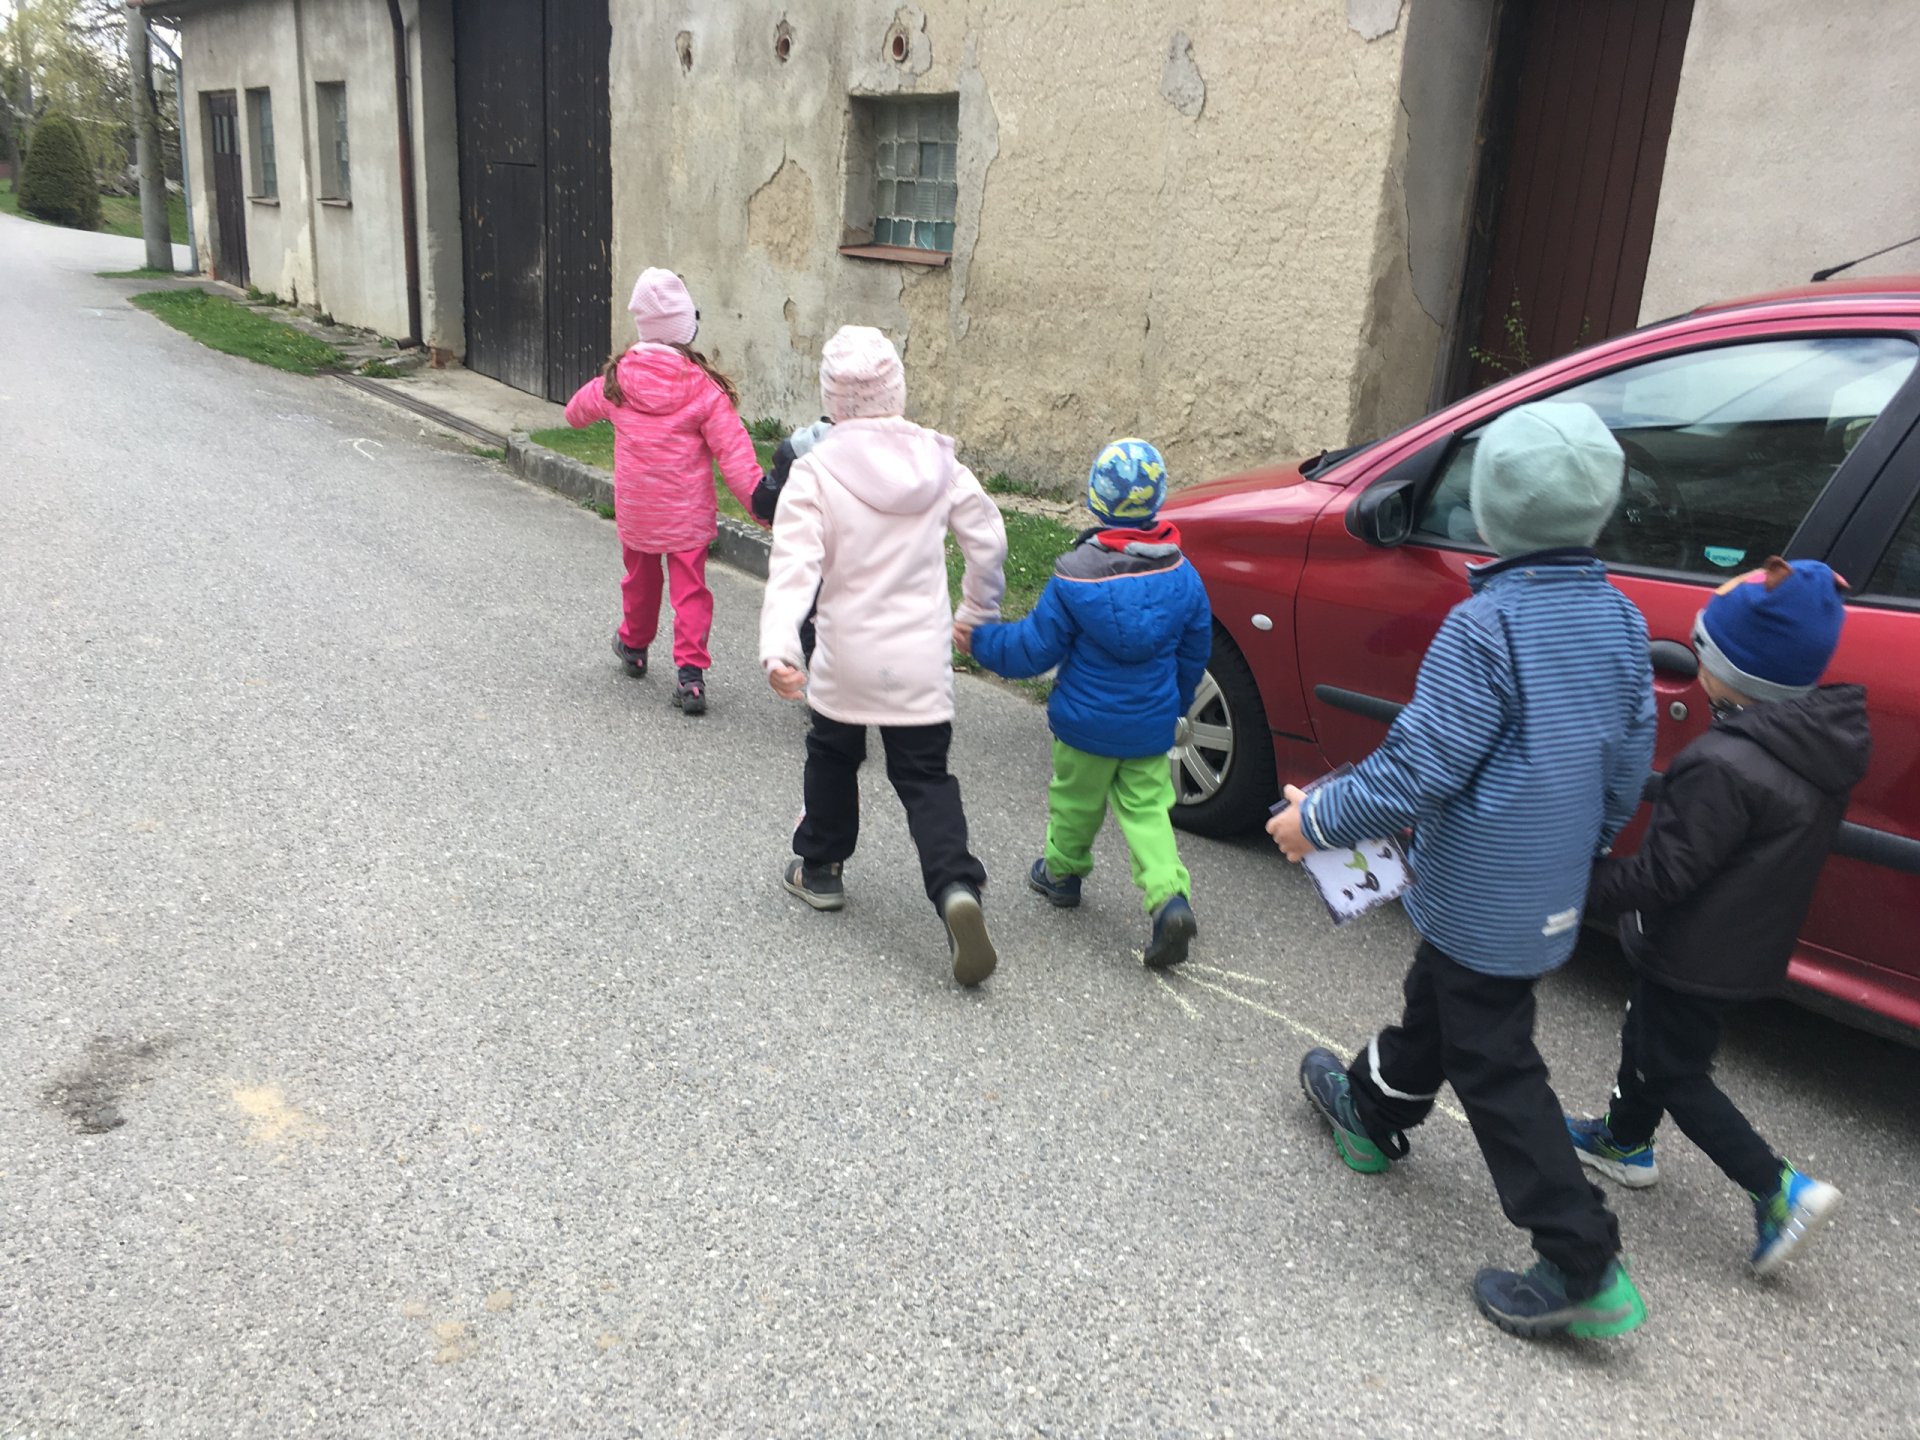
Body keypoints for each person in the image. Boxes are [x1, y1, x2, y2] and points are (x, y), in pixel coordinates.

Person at [1267, 401, 1657, 1340]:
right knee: (1444, 1002)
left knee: (1495, 1061)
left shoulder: (1486, 627)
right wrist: (1584, 844)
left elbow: (1419, 768)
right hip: (1543, 889)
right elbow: (1628, 759)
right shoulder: (1620, 618)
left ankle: (1582, 1260)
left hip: (1483, 892)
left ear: (1489, 510)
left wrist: (1313, 821)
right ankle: (1371, 1109)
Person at [1567, 557, 1867, 1276]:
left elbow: (1665, 874)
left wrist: (1575, 885)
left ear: (1733, 674)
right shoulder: (1812, 745)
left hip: (1693, 950)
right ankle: (1625, 1141)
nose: (1696, 664)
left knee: (1674, 1070)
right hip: (1743, 941)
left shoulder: (1724, 763)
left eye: (1703, 651)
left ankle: (1778, 1189)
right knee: (1649, 1035)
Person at [759, 326, 1009, 986]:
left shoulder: (816, 472)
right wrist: (975, 610)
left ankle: (821, 867)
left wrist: (780, 645)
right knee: (926, 777)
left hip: (847, 655)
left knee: (832, 754)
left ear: (832, 401)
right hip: (920, 656)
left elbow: (794, 566)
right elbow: (989, 539)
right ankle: (955, 887)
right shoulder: (939, 464)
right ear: (897, 391)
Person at [959, 438, 1211, 969]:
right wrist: (1177, 704)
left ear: (1096, 501)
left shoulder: (1073, 577)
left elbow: (1033, 649)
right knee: (1148, 811)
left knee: (1076, 802)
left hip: (1084, 726)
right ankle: (1169, 898)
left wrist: (981, 642)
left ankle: (1062, 873)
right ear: (1158, 498)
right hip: (1149, 726)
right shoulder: (1184, 577)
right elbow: (1194, 653)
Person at [564, 267, 762, 716]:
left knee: (640, 579)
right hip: (687, 516)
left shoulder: (617, 382)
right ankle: (691, 677)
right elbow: (735, 456)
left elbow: (575, 412)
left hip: (638, 511)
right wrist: (762, 508)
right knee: (690, 591)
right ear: (686, 328)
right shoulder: (703, 388)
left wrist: (588, 413)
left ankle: (634, 646)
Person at [751, 416, 833, 663]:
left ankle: (819, 670)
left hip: (813, 552)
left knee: (811, 615)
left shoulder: (805, 444)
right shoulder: (891, 450)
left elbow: (767, 495)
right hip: (861, 562)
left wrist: (764, 507)